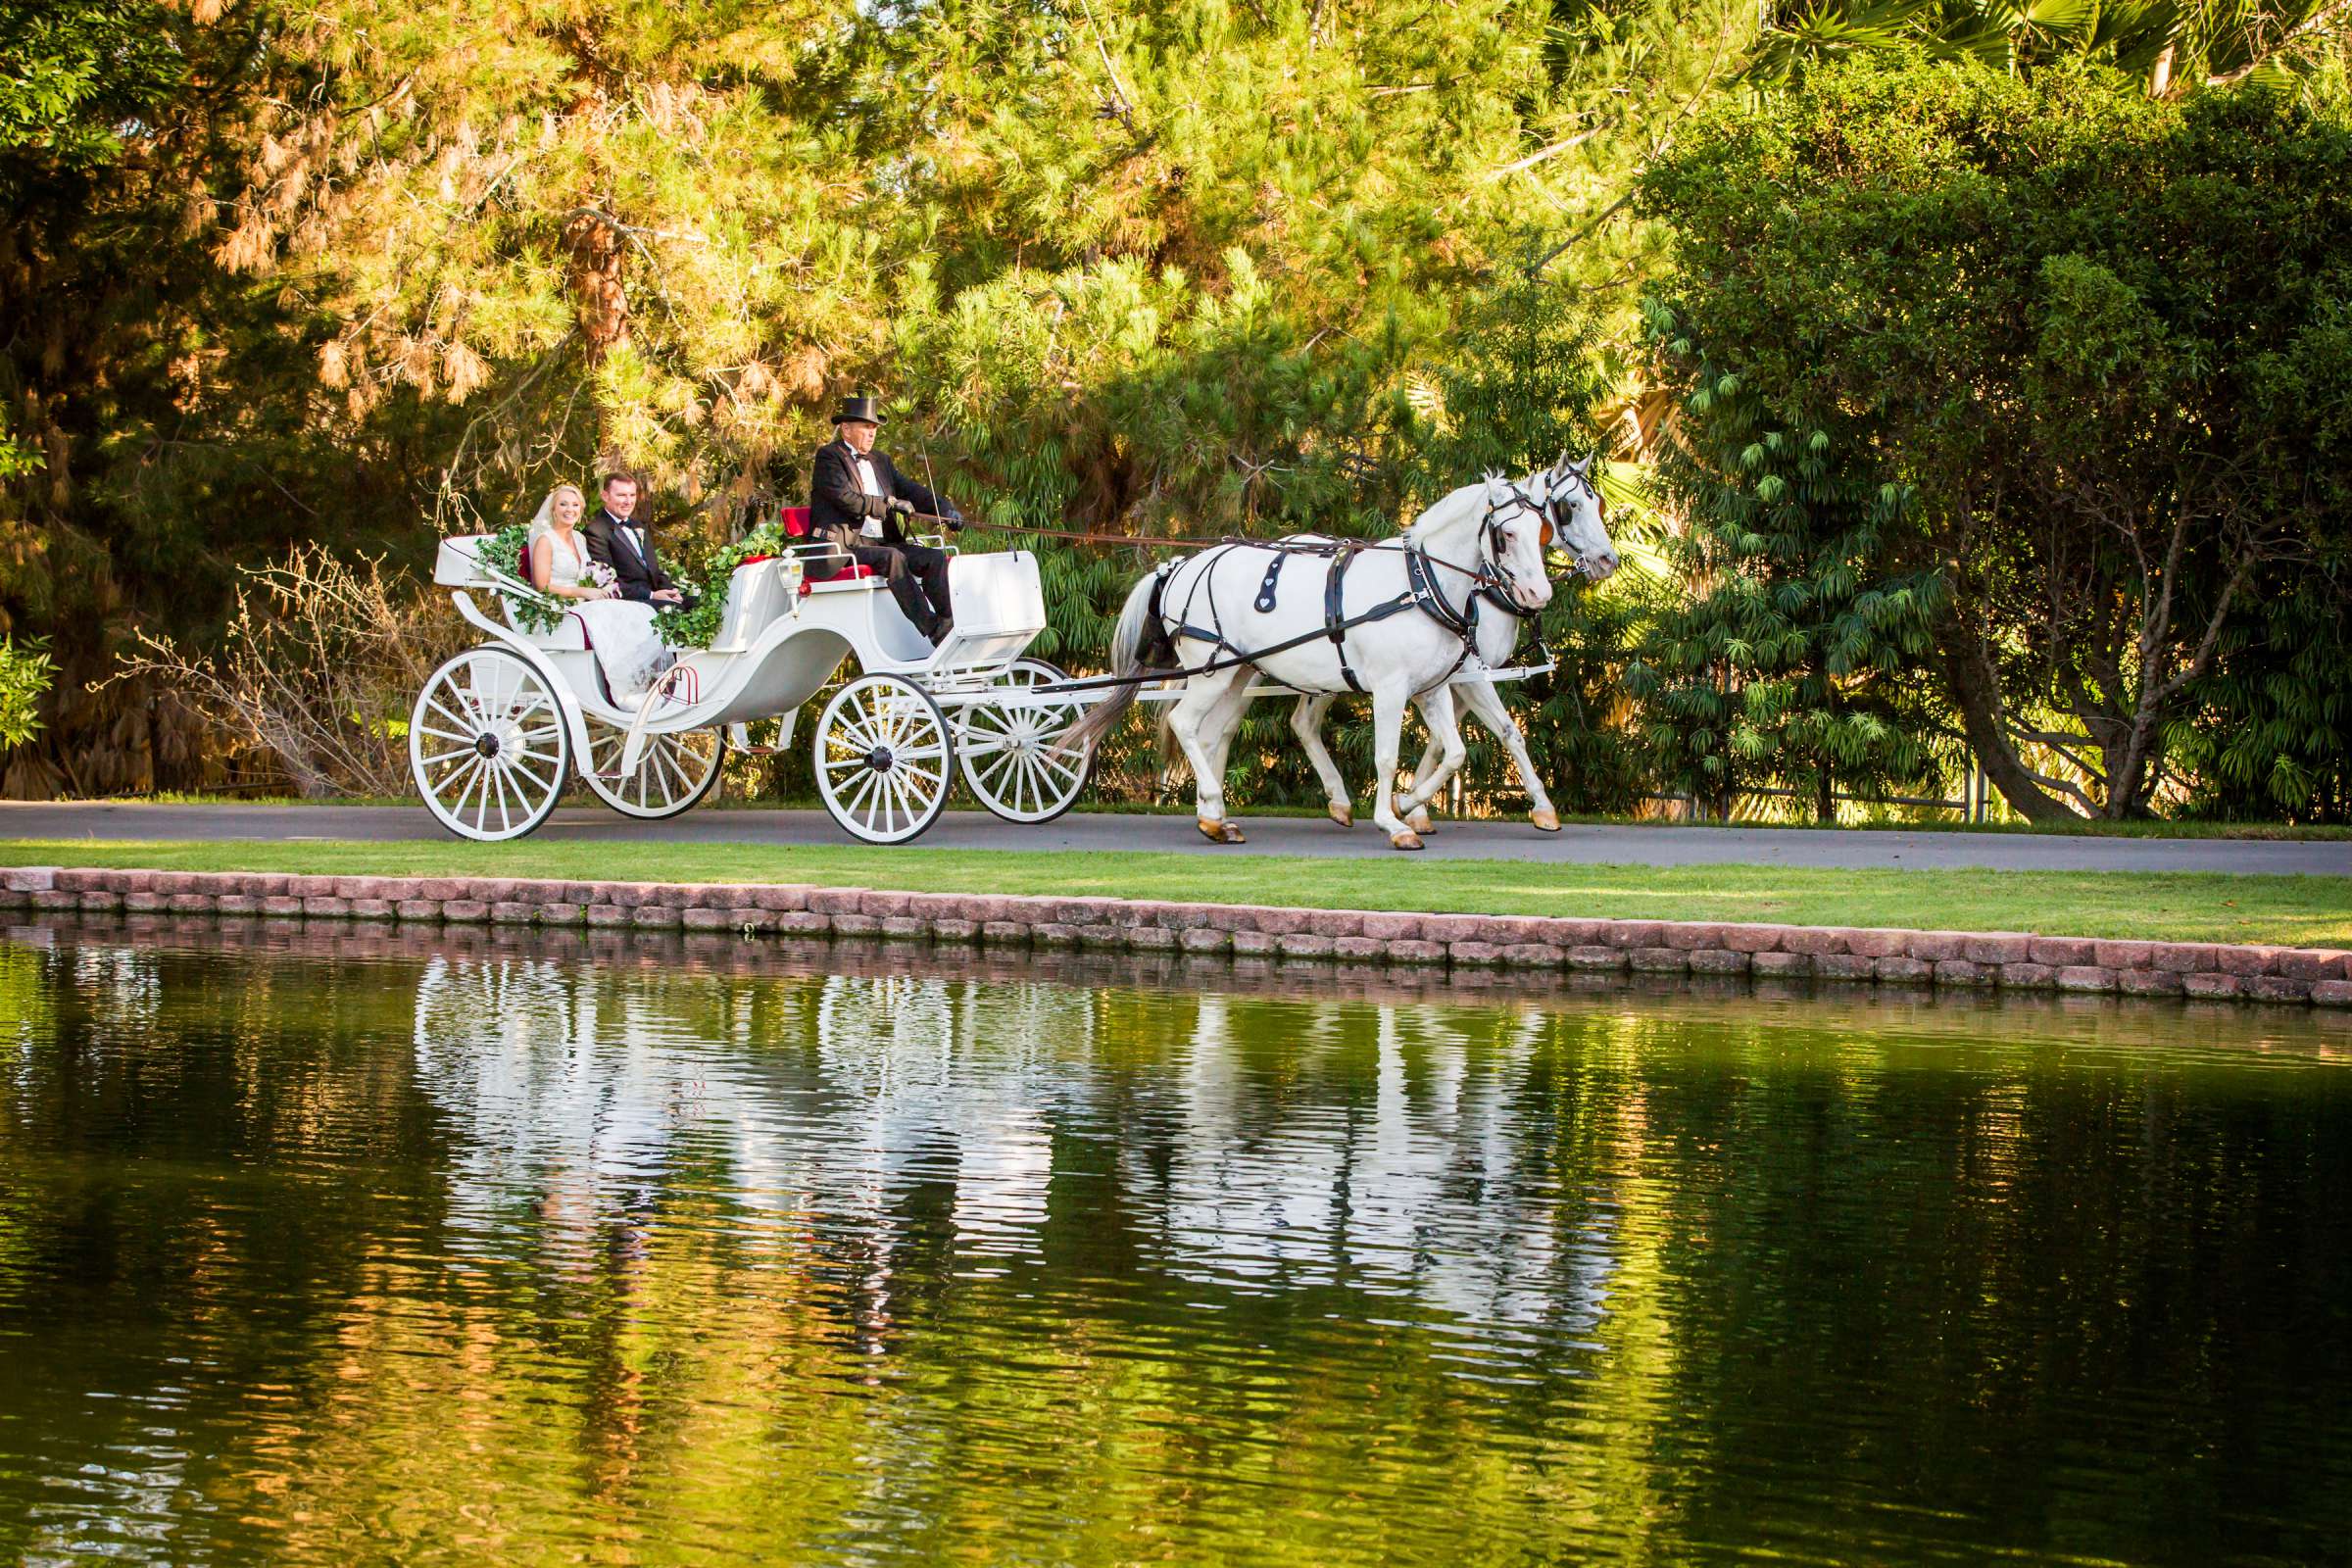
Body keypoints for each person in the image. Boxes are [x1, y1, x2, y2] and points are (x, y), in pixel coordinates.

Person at [808, 395, 964, 644]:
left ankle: (950, 623)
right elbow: (846, 498)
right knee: (893, 557)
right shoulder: (829, 457)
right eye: (866, 427)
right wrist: (888, 503)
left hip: (882, 542)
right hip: (847, 546)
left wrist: (945, 510)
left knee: (933, 558)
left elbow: (911, 490)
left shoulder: (881, 461)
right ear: (846, 429)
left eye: (874, 429)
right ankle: (934, 629)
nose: (872, 434)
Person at [526, 483, 674, 697]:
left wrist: (599, 586)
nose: (570, 509)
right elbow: (542, 585)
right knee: (613, 613)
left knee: (635, 610)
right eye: (564, 504)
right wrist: (584, 592)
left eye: (575, 505)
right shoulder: (546, 541)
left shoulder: (579, 538)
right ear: (553, 509)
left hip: (588, 599)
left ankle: (645, 682)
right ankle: (622, 689)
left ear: (581, 509)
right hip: (564, 603)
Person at [581, 471, 693, 608]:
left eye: (632, 495)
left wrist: (671, 592)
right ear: (605, 496)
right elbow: (607, 581)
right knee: (679, 610)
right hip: (628, 602)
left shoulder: (639, 527)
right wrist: (651, 595)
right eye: (621, 495)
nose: (628, 501)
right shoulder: (595, 531)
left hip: (655, 597)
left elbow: (654, 570)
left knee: (699, 605)